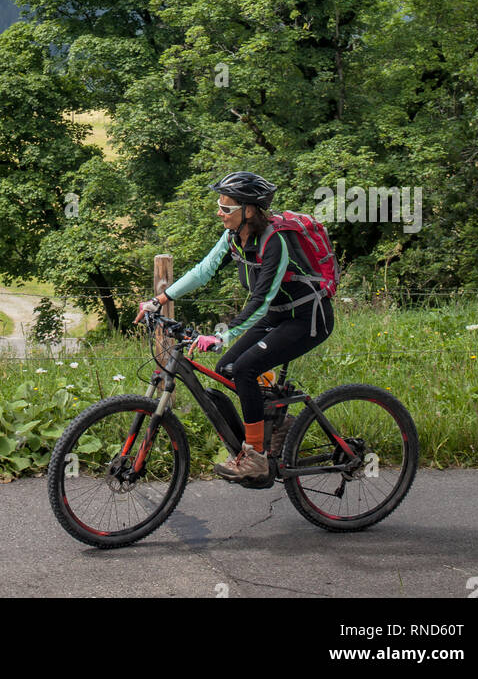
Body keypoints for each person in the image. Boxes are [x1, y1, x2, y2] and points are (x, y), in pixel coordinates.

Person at [139, 171, 334, 480]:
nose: (220, 212)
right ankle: (278, 423)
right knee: (227, 367)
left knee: (245, 369)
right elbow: (204, 271)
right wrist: (160, 299)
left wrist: (223, 335)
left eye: (226, 207)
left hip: (307, 318)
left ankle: (255, 457)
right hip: (278, 315)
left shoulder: (275, 241)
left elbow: (261, 299)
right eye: (220, 205)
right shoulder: (234, 236)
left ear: (250, 210)